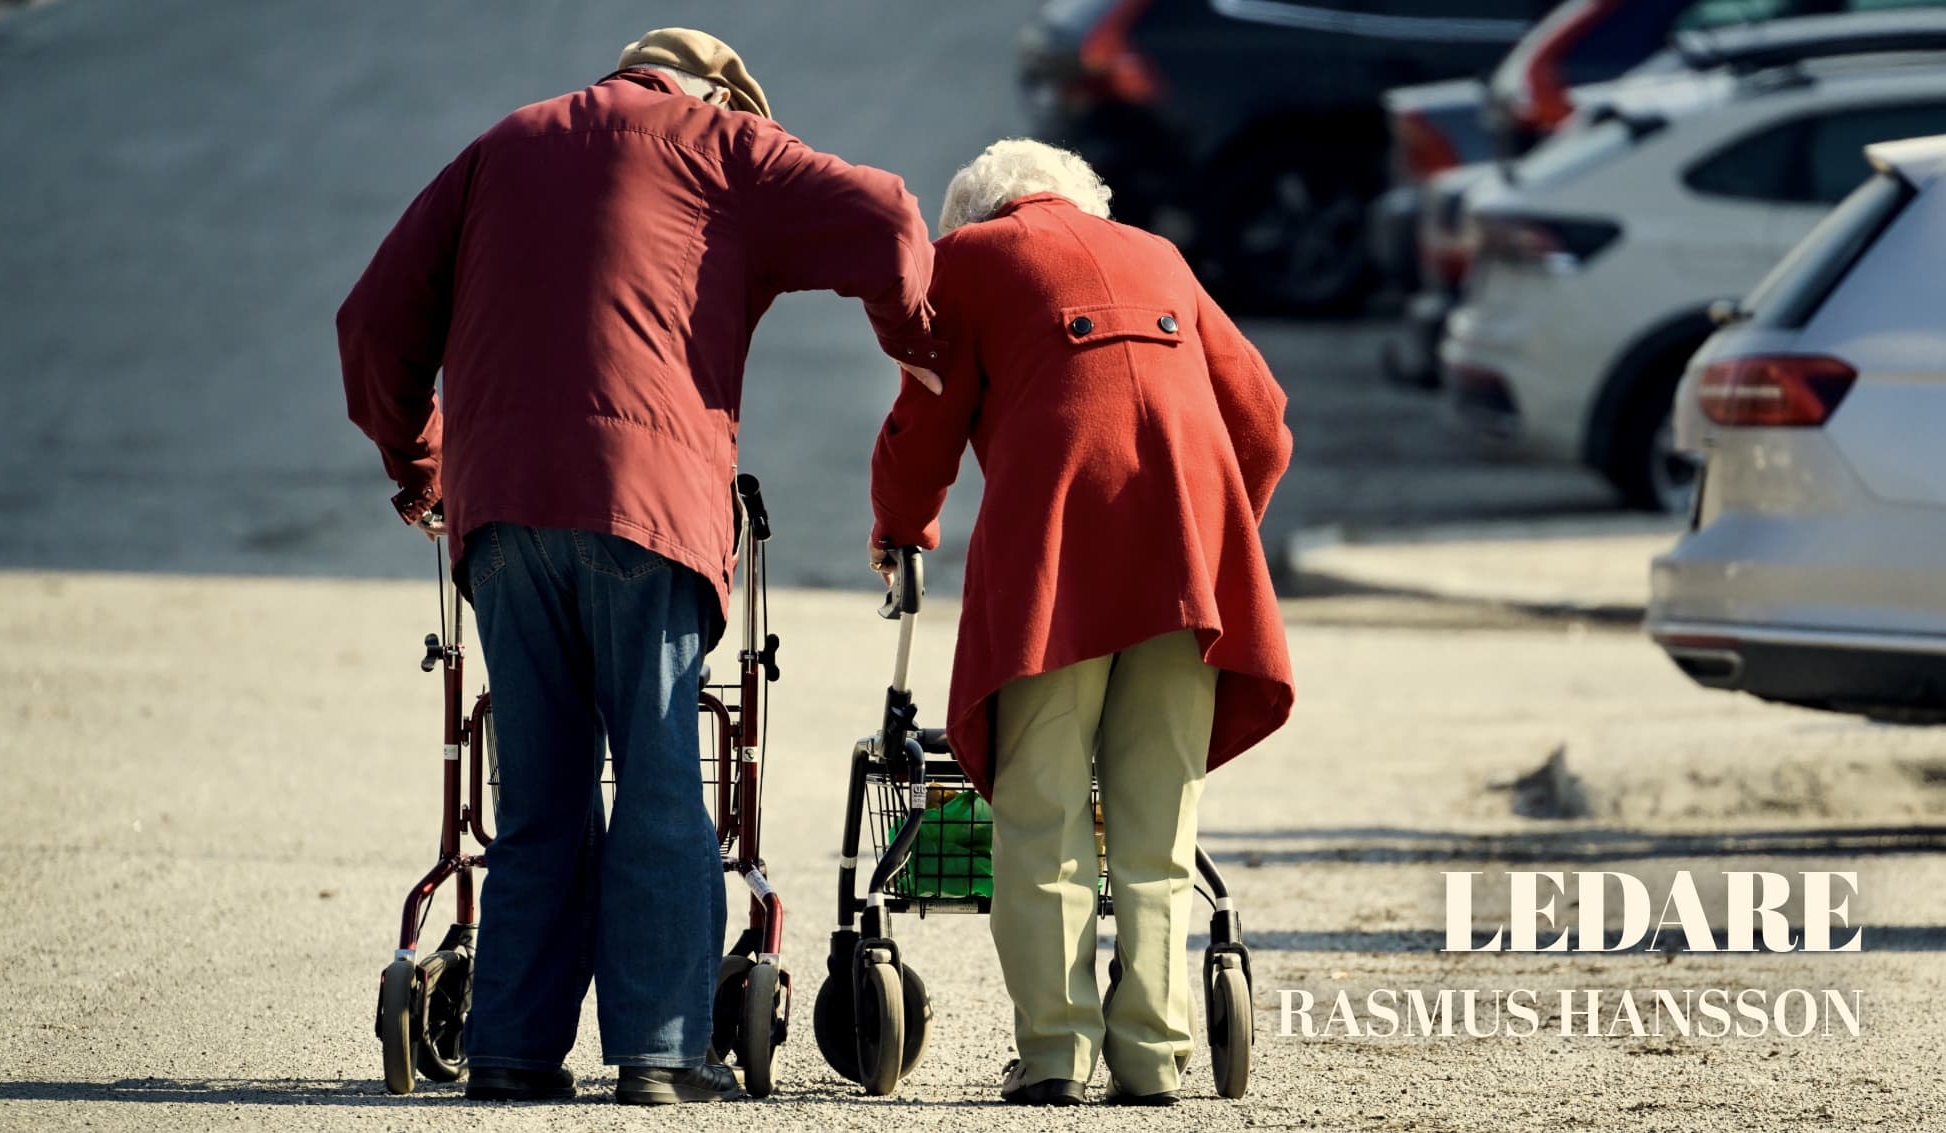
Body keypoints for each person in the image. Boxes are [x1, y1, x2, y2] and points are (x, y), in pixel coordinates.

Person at [338, 28, 945, 1106]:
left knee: (536, 789)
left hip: (504, 510)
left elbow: (373, 322)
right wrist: (913, 339)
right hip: (647, 505)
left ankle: (511, 1051)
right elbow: (892, 218)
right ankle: (660, 1049)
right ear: (719, 93)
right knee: (663, 773)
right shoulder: (724, 147)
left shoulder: (502, 145)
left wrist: (420, 465)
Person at [868, 139, 1294, 1107]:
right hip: (1186, 571)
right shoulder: (1157, 253)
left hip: (1055, 567)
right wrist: (1214, 535)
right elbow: (1262, 419)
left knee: (1044, 808)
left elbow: (923, 424)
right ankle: (1150, 1054)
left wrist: (899, 529)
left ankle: (1056, 1052)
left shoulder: (968, 262)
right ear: (1077, 200)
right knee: (1156, 819)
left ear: (974, 214)